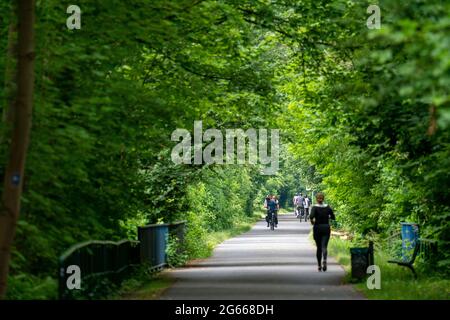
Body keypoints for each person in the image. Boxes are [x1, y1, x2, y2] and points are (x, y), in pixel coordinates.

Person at [309, 192, 335, 272]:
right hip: (326, 228)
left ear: (316, 199)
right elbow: (333, 217)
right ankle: (324, 260)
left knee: (319, 248)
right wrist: (329, 217)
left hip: (317, 228)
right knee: (324, 246)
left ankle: (319, 265)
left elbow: (311, 216)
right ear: (323, 199)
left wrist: (312, 221)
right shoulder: (327, 207)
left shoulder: (314, 207)